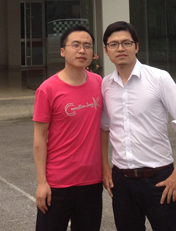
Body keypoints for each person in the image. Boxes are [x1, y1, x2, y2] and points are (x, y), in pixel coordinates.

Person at [100, 21, 176, 231]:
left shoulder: (159, 78)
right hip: (121, 182)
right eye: (113, 44)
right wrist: (104, 166)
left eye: (126, 43)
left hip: (159, 180)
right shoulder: (106, 85)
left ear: (136, 46)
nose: (120, 48)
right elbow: (104, 126)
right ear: (106, 50)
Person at [33, 25, 103, 231]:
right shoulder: (47, 89)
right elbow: (39, 138)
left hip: (91, 182)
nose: (82, 50)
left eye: (87, 46)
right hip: (57, 184)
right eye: (76, 45)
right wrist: (42, 183)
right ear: (63, 51)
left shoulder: (99, 83)